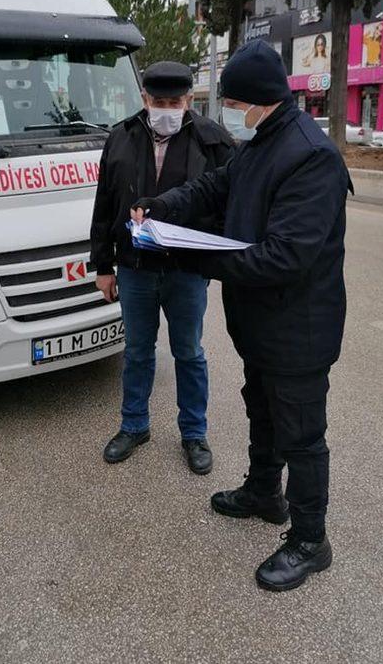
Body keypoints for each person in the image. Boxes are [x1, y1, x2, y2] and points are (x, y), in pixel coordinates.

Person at [131, 40, 352, 591]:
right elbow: (214, 185)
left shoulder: (310, 156)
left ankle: (309, 539)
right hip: (261, 323)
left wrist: (190, 253)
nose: (228, 108)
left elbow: (285, 255)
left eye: (232, 99)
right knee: (262, 407)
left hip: (298, 327)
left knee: (301, 432)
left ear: (256, 98)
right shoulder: (260, 143)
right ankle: (262, 492)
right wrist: (163, 208)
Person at [90, 60, 234, 474]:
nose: (167, 108)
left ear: (189, 100)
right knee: (136, 351)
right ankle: (134, 425)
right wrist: (103, 265)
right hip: (134, 267)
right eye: (158, 101)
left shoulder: (214, 141)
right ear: (144, 99)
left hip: (187, 269)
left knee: (188, 352)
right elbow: (104, 206)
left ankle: (194, 433)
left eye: (175, 101)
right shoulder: (120, 137)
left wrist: (217, 259)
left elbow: (228, 204)